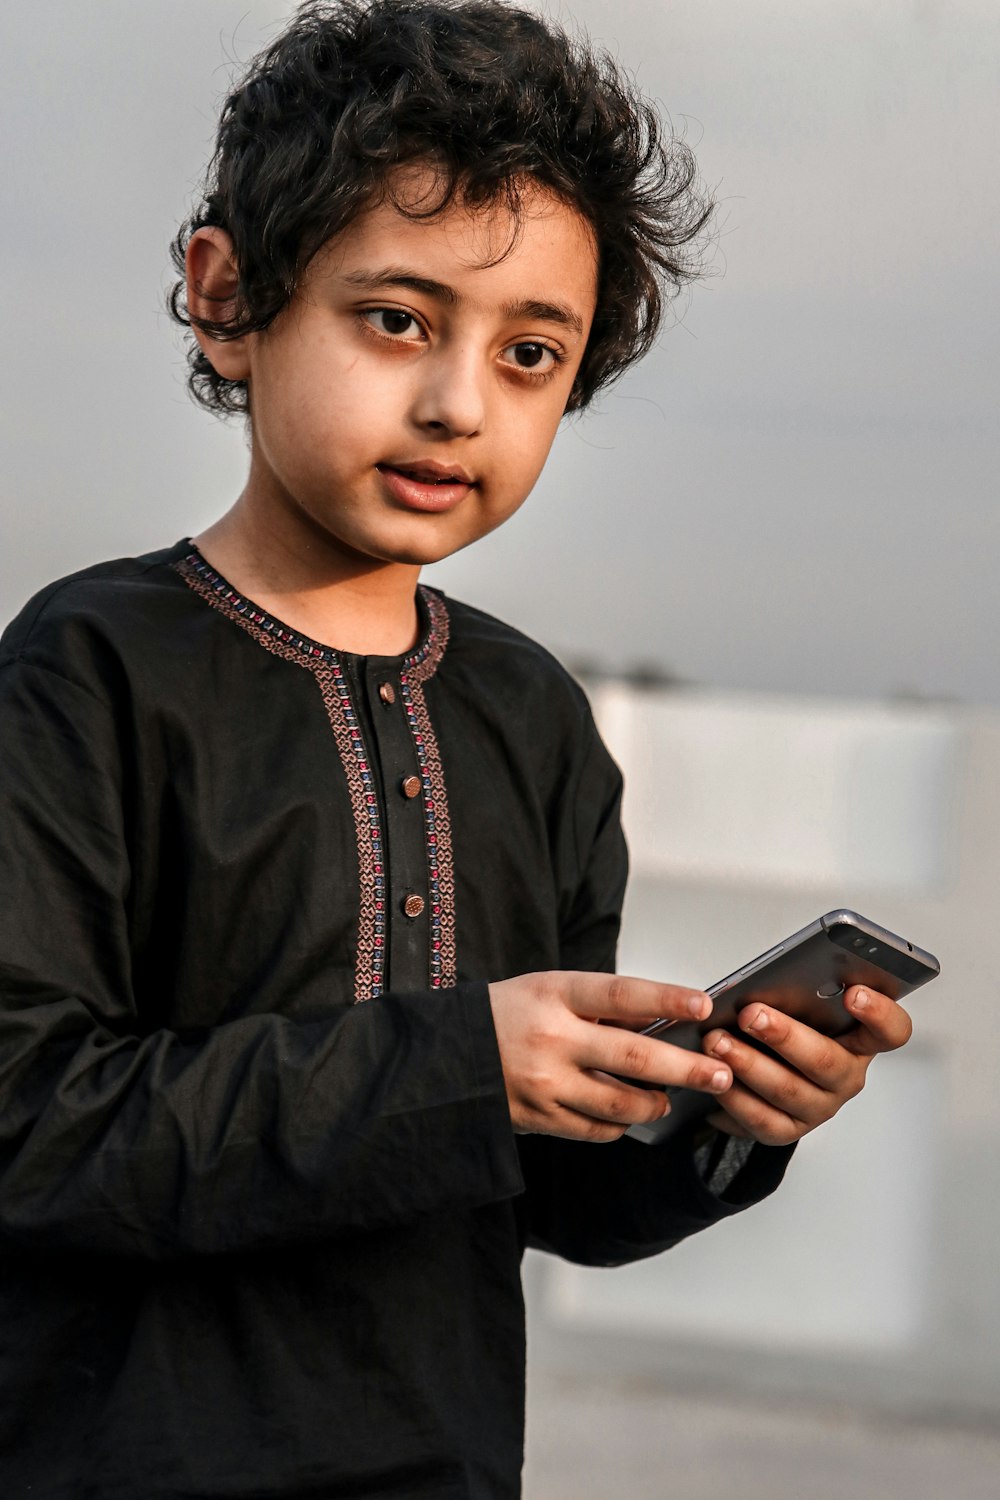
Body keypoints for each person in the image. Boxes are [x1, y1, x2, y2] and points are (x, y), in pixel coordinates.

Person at [0, 2, 912, 1495]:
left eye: (531, 352)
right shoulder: (86, 671)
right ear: (229, 297)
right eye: (398, 320)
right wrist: (458, 1066)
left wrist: (725, 1117)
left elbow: (549, 1186)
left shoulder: (529, 717)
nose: (455, 403)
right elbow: (30, 1126)